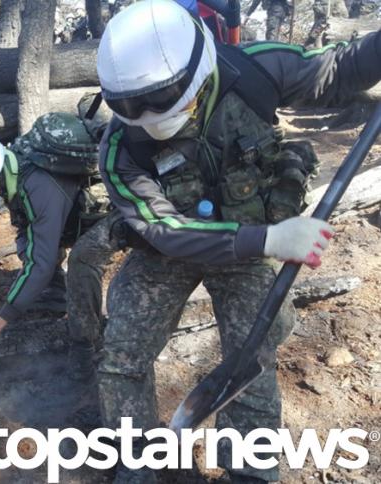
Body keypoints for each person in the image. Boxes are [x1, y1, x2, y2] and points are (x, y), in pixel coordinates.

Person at [95, 0, 381, 482]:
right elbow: (164, 230)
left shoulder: (253, 71)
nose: (144, 115)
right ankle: (137, 460)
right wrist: (269, 239)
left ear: (197, 70)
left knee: (250, 357)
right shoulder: (121, 149)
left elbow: (338, 69)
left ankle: (247, 472)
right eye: (128, 107)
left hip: (254, 239)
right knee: (122, 354)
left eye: (160, 98)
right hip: (174, 249)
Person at [0, 96, 127, 365]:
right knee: (27, 245)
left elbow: (40, 263)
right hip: (71, 211)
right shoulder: (11, 168)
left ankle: (87, 347)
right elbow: (26, 230)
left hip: (118, 211)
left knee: (82, 260)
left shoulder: (38, 186)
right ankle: (55, 296)